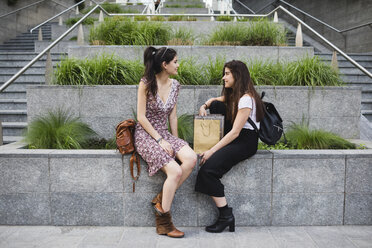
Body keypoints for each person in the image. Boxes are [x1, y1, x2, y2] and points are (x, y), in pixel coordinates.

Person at [134, 46, 197, 238]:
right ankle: (164, 223)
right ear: (164, 64)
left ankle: (161, 200)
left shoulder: (176, 85)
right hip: (146, 134)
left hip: (164, 133)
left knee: (191, 158)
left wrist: (175, 141)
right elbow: (141, 117)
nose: (178, 65)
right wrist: (160, 140)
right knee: (175, 171)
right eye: (175, 61)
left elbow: (173, 116)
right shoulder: (146, 83)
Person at [195, 60, 264, 233]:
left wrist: (211, 151)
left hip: (245, 141)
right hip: (239, 138)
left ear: (237, 75)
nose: (223, 77)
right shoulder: (238, 95)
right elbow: (217, 100)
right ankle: (226, 216)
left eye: (227, 74)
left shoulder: (247, 99)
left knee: (208, 170)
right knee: (217, 104)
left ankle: (226, 216)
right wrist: (206, 104)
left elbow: (234, 133)